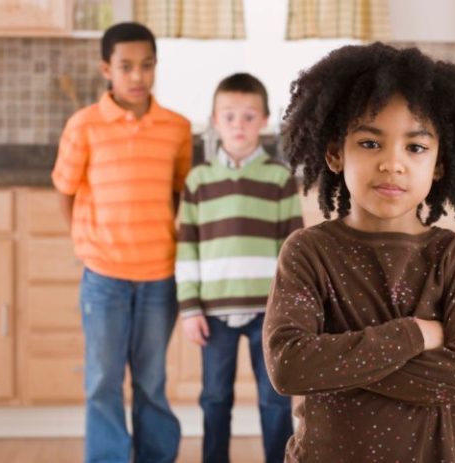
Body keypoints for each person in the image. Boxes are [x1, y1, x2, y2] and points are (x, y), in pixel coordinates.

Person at [263, 42, 455, 463]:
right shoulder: (308, 251)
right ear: (336, 153)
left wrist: (336, 362)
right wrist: (415, 334)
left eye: (415, 147)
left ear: (440, 163)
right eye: (371, 144)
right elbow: (289, 367)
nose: (393, 164)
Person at [51, 22, 191, 463]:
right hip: (104, 278)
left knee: (151, 381)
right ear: (106, 69)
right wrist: (85, 240)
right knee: (103, 381)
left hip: (158, 277)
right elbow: (66, 191)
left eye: (146, 66)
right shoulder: (84, 126)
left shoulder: (177, 127)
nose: (137, 76)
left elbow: (176, 191)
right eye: (126, 66)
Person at [176, 72, 301, 463]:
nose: (239, 125)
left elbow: (294, 252)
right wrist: (189, 308)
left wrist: (292, 309)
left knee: (274, 400)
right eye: (229, 117)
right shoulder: (198, 181)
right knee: (214, 399)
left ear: (264, 120)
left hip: (269, 313)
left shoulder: (280, 179)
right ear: (214, 121)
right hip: (213, 313)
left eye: (249, 117)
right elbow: (187, 250)